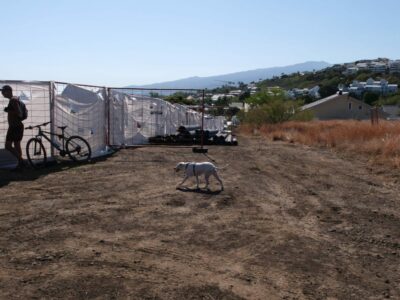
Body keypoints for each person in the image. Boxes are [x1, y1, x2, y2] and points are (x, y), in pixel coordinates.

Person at [2, 85, 25, 169]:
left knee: (8, 146)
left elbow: (19, 113)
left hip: (14, 126)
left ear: (8, 91)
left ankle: (22, 161)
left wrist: (8, 110)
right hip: (17, 126)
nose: (2, 93)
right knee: (16, 145)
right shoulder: (14, 99)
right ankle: (20, 164)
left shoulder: (13, 100)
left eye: (3, 91)